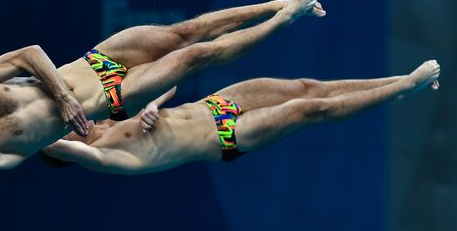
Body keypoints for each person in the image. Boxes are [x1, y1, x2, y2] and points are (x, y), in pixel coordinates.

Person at [0, 0, 324, 191]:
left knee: (188, 31)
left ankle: (275, 3)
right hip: (115, 94)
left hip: (99, 59)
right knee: (194, 57)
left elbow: (31, 53)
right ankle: (285, 17)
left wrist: (61, 97)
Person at [41, 61, 441, 173]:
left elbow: (169, 87)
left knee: (307, 87)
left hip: (217, 104)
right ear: (65, 151)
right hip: (228, 136)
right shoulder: (103, 157)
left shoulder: (106, 121)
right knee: (309, 110)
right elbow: (45, 142)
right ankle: (406, 89)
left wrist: (151, 105)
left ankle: (403, 79)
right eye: (69, 135)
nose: (80, 125)